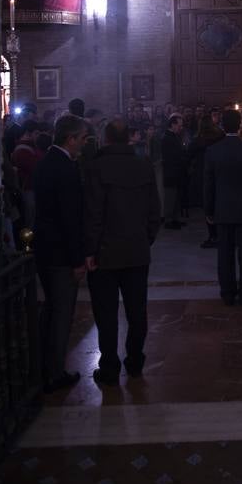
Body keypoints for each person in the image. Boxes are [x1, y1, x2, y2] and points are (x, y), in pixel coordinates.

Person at [84, 120, 161, 385]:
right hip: (137, 250)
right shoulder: (143, 165)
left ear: (105, 138)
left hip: (105, 253)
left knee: (105, 314)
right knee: (137, 310)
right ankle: (135, 361)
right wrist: (146, 239)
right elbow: (154, 211)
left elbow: (94, 213)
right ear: (128, 138)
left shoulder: (96, 167)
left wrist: (90, 249)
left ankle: (109, 367)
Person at [33, 114, 87, 392]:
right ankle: (54, 373)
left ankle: (42, 367)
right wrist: (77, 260)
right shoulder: (65, 168)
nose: (84, 144)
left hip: (44, 249)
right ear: (71, 139)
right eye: (82, 139)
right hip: (60, 255)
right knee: (61, 315)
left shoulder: (45, 161)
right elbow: (70, 219)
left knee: (50, 311)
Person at [203, 109, 242, 305]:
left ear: (222, 125)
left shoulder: (213, 151)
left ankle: (227, 293)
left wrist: (209, 210)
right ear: (240, 125)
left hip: (222, 209)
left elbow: (208, 185)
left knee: (225, 254)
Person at [186, 113, 224, 248]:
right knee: (218, 204)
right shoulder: (220, 137)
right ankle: (221, 235)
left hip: (203, 175)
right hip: (219, 174)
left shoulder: (198, 141)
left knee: (208, 206)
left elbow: (188, 156)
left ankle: (213, 236)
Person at [10, 118, 43, 226]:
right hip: (28, 188)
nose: (38, 136)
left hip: (32, 187)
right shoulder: (22, 150)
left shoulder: (30, 147)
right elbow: (35, 168)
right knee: (30, 219)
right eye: (36, 133)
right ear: (28, 133)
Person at [161, 113, 186, 229]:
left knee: (177, 197)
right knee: (171, 197)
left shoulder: (175, 136)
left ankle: (175, 218)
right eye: (179, 125)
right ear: (172, 124)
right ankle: (168, 220)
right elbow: (170, 156)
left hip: (177, 171)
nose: (181, 128)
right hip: (171, 171)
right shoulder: (166, 138)